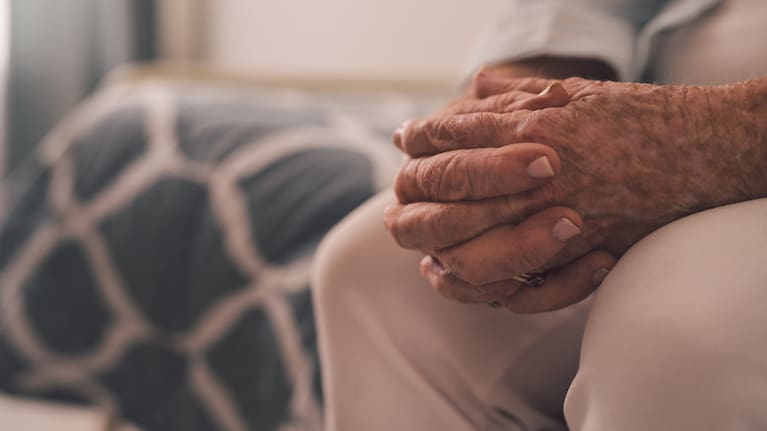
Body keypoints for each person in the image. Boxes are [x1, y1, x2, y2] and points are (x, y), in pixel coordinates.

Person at [312, 0, 767, 429]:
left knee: (672, 332)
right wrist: (517, 102)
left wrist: (714, 136)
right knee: (372, 270)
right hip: (669, 79)